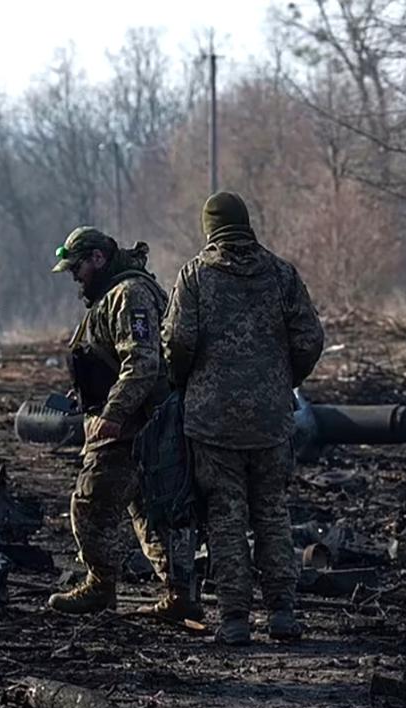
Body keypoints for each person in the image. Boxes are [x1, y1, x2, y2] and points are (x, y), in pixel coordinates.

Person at [161, 191, 324, 645]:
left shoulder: (195, 277)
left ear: (209, 227)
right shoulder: (281, 274)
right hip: (271, 419)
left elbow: (176, 341)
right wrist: (281, 377)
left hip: (213, 421)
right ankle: (283, 613)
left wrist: (184, 381)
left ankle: (234, 619)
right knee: (272, 510)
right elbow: (309, 338)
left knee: (225, 514)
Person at [47, 226, 202, 622]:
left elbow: (143, 362)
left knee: (91, 502)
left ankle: (101, 586)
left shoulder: (129, 294)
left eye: (76, 268)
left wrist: (113, 414)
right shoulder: (111, 296)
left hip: (134, 423)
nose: (74, 277)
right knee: (146, 509)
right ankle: (179, 594)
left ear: (98, 259)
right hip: (132, 419)